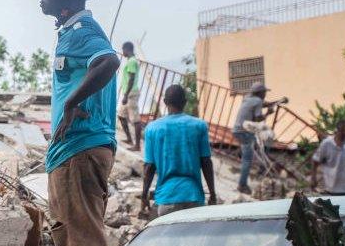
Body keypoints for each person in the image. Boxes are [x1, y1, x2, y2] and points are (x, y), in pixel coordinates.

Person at [31, 0, 120, 246]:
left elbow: (110, 61)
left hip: (83, 144)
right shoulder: (69, 32)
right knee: (68, 225)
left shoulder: (83, 30)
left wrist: (71, 104)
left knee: (83, 227)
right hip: (71, 147)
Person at [141, 84, 217, 217]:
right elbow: (206, 162)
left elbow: (149, 167)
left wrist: (144, 196)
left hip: (166, 198)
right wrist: (212, 194)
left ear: (165, 102)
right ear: (185, 102)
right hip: (193, 197)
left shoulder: (152, 128)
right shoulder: (199, 126)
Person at [232, 82, 285, 194]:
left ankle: (261, 168)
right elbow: (258, 119)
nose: (265, 94)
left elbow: (265, 104)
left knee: (255, 147)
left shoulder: (247, 98)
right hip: (245, 131)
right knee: (247, 159)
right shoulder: (258, 101)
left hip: (237, 130)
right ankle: (242, 185)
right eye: (264, 92)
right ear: (260, 93)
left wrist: (279, 101)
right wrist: (269, 113)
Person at [312, 120, 345, 196]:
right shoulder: (327, 143)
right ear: (342, 129)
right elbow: (316, 160)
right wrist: (313, 178)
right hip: (332, 189)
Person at [118, 41, 142, 151]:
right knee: (121, 115)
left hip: (131, 93)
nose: (123, 52)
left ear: (127, 49)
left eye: (123, 50)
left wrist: (126, 95)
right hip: (128, 93)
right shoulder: (130, 61)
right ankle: (129, 139)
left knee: (135, 119)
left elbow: (132, 78)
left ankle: (137, 145)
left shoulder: (132, 61)